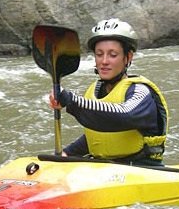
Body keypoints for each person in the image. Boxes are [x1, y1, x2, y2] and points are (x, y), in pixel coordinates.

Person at [49, 18, 169, 166]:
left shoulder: (141, 91)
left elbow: (122, 116)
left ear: (128, 57)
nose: (104, 61)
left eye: (113, 55)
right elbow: (99, 138)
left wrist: (70, 100)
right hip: (105, 171)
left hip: (143, 171)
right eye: (99, 54)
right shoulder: (95, 90)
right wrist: (66, 154)